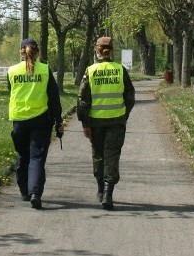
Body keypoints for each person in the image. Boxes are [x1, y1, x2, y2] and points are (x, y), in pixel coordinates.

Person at [77, 36, 135, 210]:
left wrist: (84, 123)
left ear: (97, 50)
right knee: (112, 155)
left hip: (96, 122)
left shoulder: (91, 71)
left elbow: (82, 99)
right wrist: (124, 115)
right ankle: (109, 193)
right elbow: (130, 96)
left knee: (99, 155)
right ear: (112, 50)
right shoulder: (120, 70)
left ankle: (101, 190)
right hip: (116, 121)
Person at [7, 38, 64, 209]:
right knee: (36, 157)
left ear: (21, 52)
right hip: (40, 120)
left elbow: (11, 92)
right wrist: (58, 121)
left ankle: (24, 190)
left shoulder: (12, 71)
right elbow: (54, 98)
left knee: (24, 156)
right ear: (37, 52)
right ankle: (35, 193)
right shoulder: (45, 70)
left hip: (19, 121)